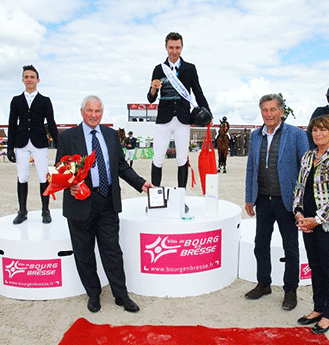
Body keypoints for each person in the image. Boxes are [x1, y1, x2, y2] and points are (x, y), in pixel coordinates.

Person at [56, 95, 153, 313]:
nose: (93, 115)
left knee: (112, 253)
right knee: (85, 253)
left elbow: (121, 166)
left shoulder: (110, 135)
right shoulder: (68, 137)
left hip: (107, 202)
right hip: (79, 203)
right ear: (82, 112)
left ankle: (121, 295)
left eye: (97, 111)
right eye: (89, 111)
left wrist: (141, 183)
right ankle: (93, 294)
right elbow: (59, 169)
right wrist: (69, 183)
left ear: (102, 113)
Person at [244, 94, 309, 311]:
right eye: (264, 110)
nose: (269, 114)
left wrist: (301, 203)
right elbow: (251, 168)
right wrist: (248, 198)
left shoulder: (297, 134)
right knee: (260, 244)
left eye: (273, 109)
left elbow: (305, 170)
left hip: (287, 201)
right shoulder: (255, 136)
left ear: (281, 111)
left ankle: (290, 290)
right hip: (262, 199)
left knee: (290, 247)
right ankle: (264, 284)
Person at [293, 115, 329, 334]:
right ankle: (318, 308)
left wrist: (317, 220)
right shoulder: (308, 156)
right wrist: (298, 213)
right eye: (315, 130)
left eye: (323, 130)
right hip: (307, 221)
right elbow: (300, 187)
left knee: (328, 268)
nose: (318, 134)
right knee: (315, 267)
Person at [147, 32, 211, 188]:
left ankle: (181, 198)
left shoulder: (190, 68)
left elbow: (198, 92)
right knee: (158, 158)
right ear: (165, 47)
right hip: (163, 120)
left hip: (183, 119)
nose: (174, 51)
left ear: (182, 47)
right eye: (171, 48)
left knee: (182, 159)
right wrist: (153, 89)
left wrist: (208, 113)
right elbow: (151, 98)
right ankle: (155, 198)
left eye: (177, 47)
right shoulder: (158, 69)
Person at [7, 65, 58, 225]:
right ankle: (22, 211)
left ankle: (45, 210)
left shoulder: (45, 100)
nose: (29, 79)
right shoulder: (16, 101)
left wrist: (59, 144)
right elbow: (11, 124)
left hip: (39, 142)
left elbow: (51, 122)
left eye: (32, 77)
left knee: (43, 176)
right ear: (23, 79)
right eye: (26, 77)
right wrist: (10, 147)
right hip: (21, 143)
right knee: (22, 177)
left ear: (38, 80)